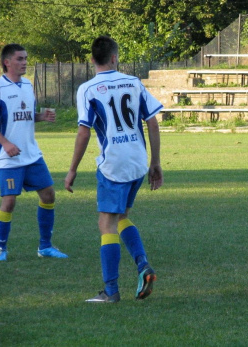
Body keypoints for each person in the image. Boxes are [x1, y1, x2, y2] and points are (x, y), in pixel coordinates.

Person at [65, 36, 163, 303]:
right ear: (114, 57)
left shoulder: (88, 89)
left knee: (105, 223)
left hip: (113, 164)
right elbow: (152, 123)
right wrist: (155, 162)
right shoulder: (134, 83)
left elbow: (84, 132)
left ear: (93, 59)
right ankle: (142, 265)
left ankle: (111, 291)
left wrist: (72, 169)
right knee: (121, 217)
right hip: (138, 162)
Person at [0, 44, 68, 261]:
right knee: (9, 202)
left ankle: (45, 247)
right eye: (19, 59)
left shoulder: (28, 85)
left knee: (48, 195)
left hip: (31, 154)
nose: (24, 62)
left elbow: (25, 115)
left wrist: (41, 116)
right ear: (7, 62)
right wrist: (6, 143)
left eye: (26, 58)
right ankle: (0, 248)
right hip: (8, 158)